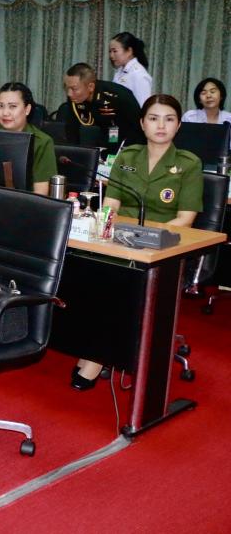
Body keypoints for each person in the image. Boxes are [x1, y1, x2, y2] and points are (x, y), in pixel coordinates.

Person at [72, 94, 203, 391]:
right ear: (142, 124)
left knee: (118, 283)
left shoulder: (188, 164)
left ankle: (97, 356)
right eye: (154, 119)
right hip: (119, 238)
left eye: (169, 119)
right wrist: (105, 228)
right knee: (84, 272)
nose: (161, 125)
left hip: (163, 247)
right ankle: (92, 344)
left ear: (178, 125)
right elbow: (112, 204)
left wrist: (144, 239)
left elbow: (185, 219)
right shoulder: (128, 156)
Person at [0, 82, 57, 195]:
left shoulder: (42, 142)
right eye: (0, 106)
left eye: (12, 106)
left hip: (24, 202)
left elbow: (40, 193)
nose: (5, 113)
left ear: (27, 109)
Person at [58, 62, 142, 150]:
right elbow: (72, 129)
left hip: (129, 139)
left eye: (74, 89)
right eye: (66, 88)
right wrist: (72, 152)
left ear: (91, 87)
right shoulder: (76, 97)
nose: (69, 93)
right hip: (106, 135)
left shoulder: (117, 96)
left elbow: (137, 125)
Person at [110, 32, 152, 106]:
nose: (111, 55)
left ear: (129, 51)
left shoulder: (139, 75)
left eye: (115, 51)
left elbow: (143, 106)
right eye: (110, 51)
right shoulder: (120, 71)